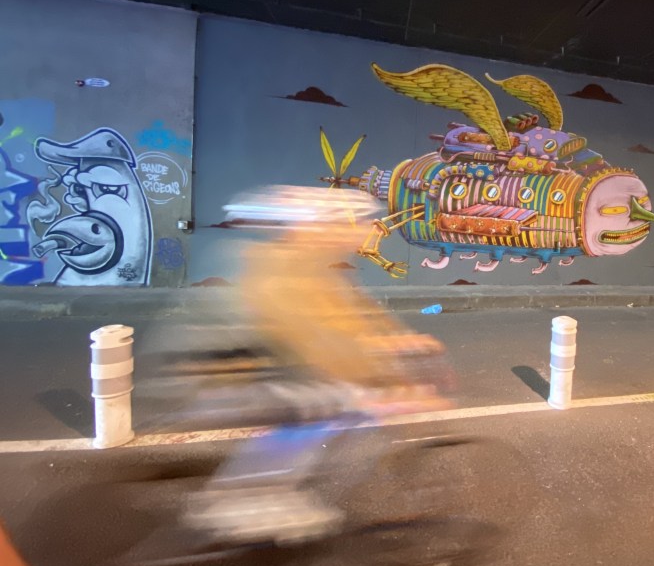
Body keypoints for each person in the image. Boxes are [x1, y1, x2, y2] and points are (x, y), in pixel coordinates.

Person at [178, 185, 453, 547]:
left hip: (271, 371)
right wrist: (380, 384)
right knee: (328, 407)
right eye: (347, 224)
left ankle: (272, 489)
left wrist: (403, 341)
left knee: (344, 407)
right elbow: (315, 342)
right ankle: (242, 498)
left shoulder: (317, 268)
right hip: (224, 377)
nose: (359, 231)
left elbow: (357, 318)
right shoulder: (278, 269)